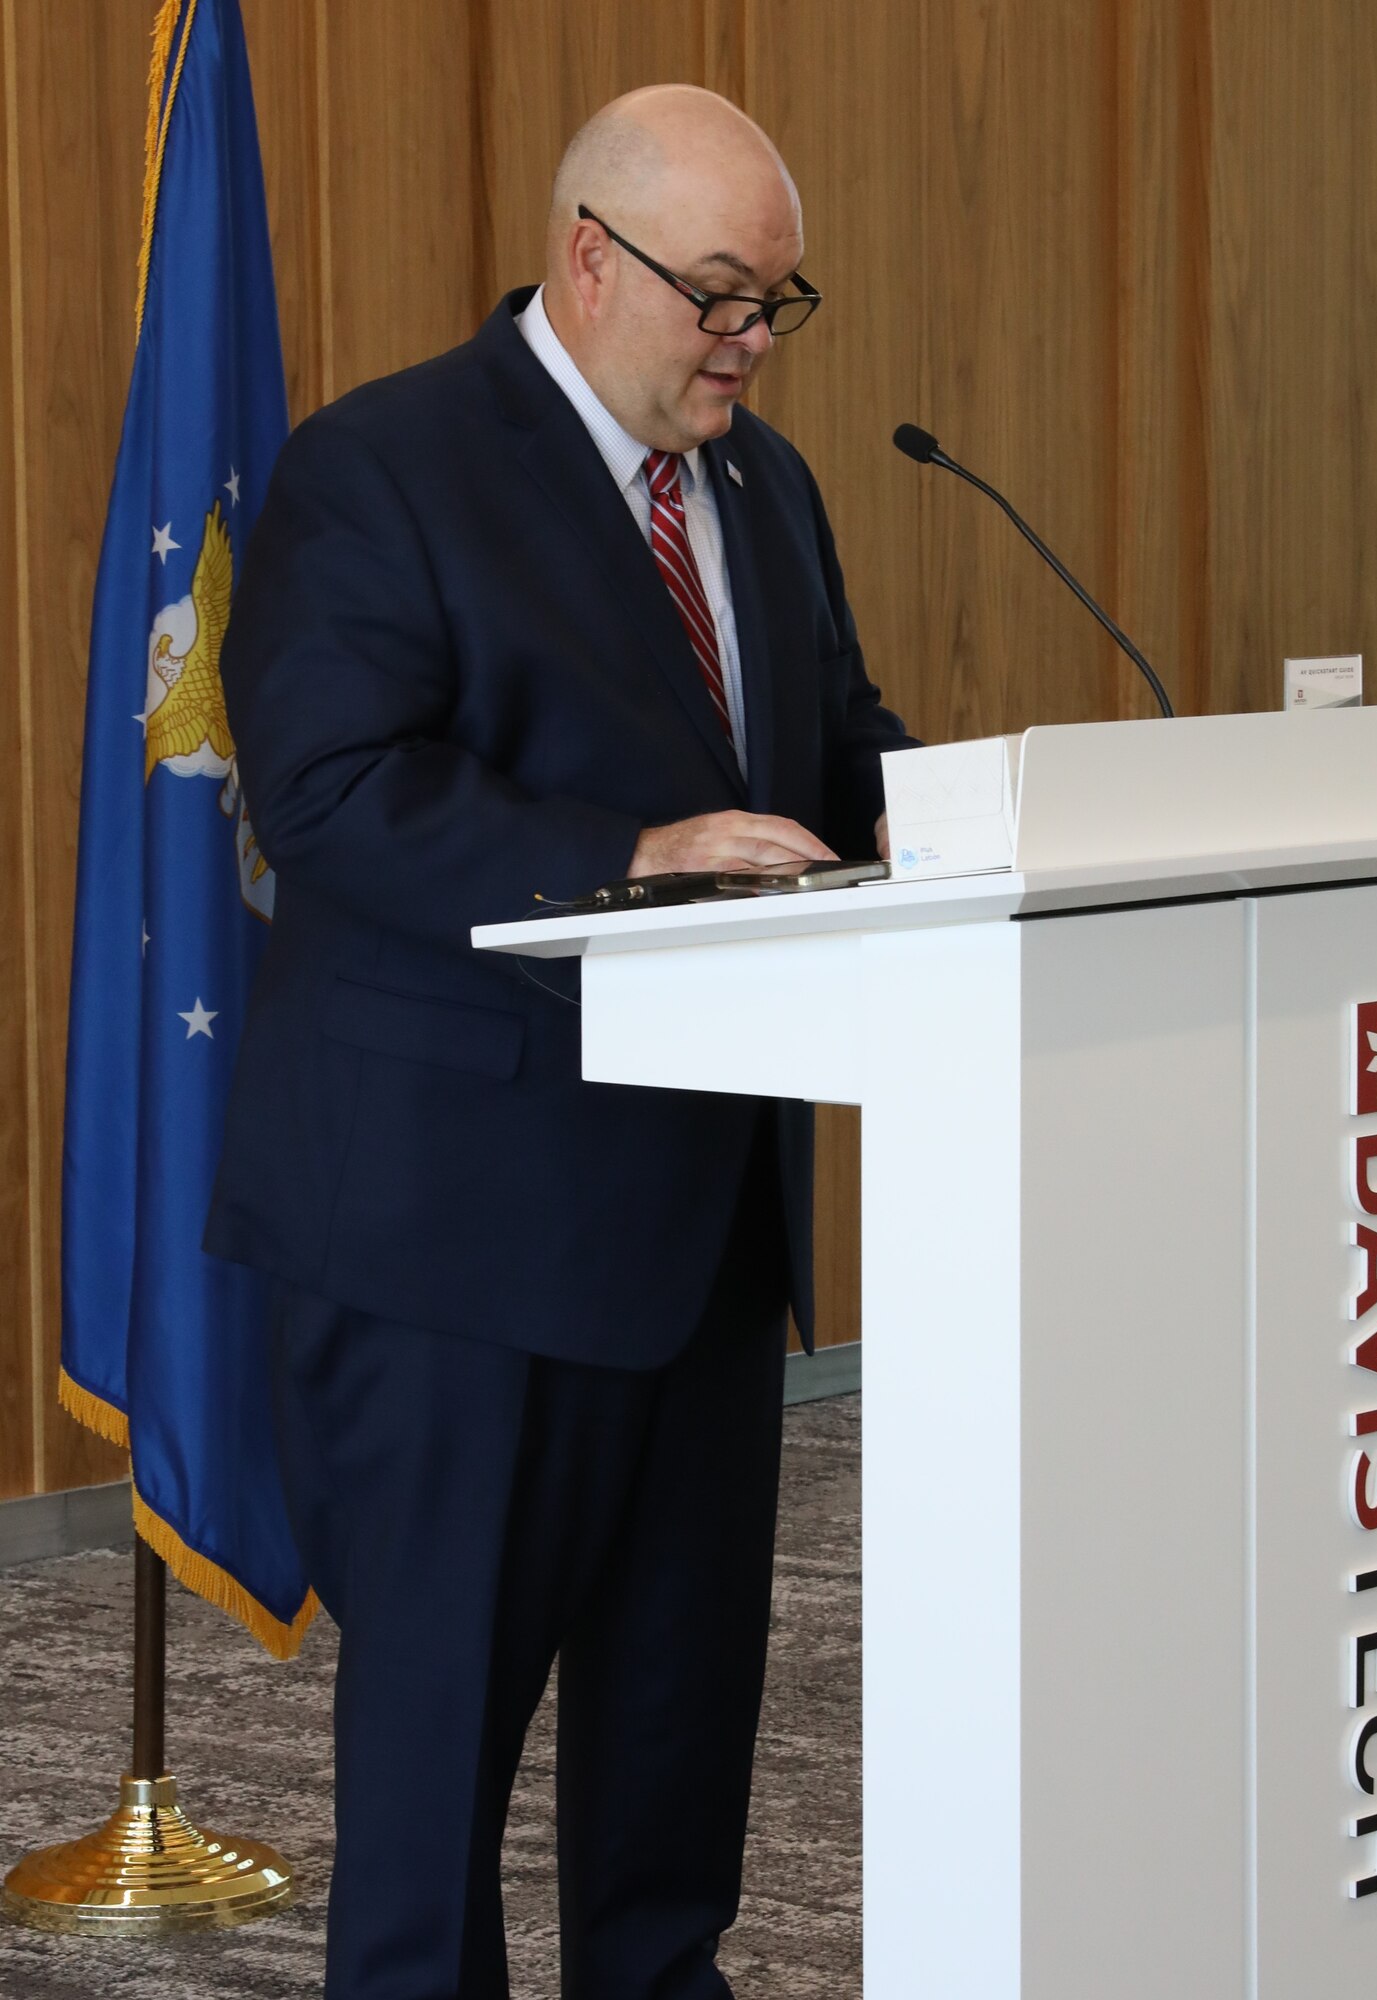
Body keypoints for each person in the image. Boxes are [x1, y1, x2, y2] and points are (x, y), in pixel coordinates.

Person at [206, 83, 913, 2000]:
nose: (751, 343)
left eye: (780, 303)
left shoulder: (764, 492)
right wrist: (627, 851)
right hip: (456, 1249)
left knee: (674, 1789)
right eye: (718, 297)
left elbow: (839, 762)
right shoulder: (386, 466)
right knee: (436, 1812)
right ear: (587, 255)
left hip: (697, 1232)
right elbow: (331, 789)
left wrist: (1024, 818)